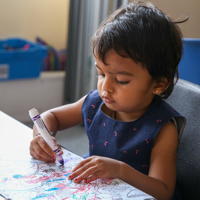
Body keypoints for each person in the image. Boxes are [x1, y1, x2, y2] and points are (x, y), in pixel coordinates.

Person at [29, 1, 188, 200]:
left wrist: (120, 170)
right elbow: (51, 117)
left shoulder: (163, 127)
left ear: (159, 83)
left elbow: (163, 191)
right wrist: (42, 137)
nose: (106, 87)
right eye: (101, 74)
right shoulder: (96, 102)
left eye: (121, 80)